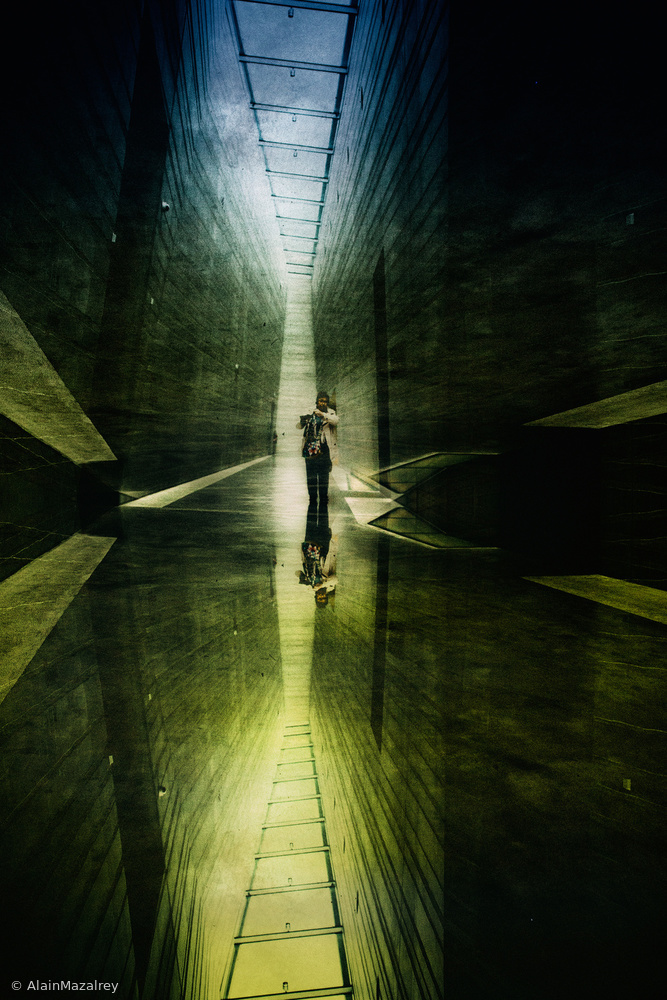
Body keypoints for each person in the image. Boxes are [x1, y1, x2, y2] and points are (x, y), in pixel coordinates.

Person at [298, 392, 339, 506]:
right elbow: (299, 426)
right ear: (317, 402)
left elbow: (335, 421)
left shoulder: (330, 413)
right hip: (310, 449)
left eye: (325, 401)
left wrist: (322, 415)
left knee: (323, 476)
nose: (323, 403)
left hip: (325, 450)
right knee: (311, 475)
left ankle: (323, 498)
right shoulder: (310, 411)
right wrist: (304, 421)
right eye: (321, 401)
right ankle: (312, 498)